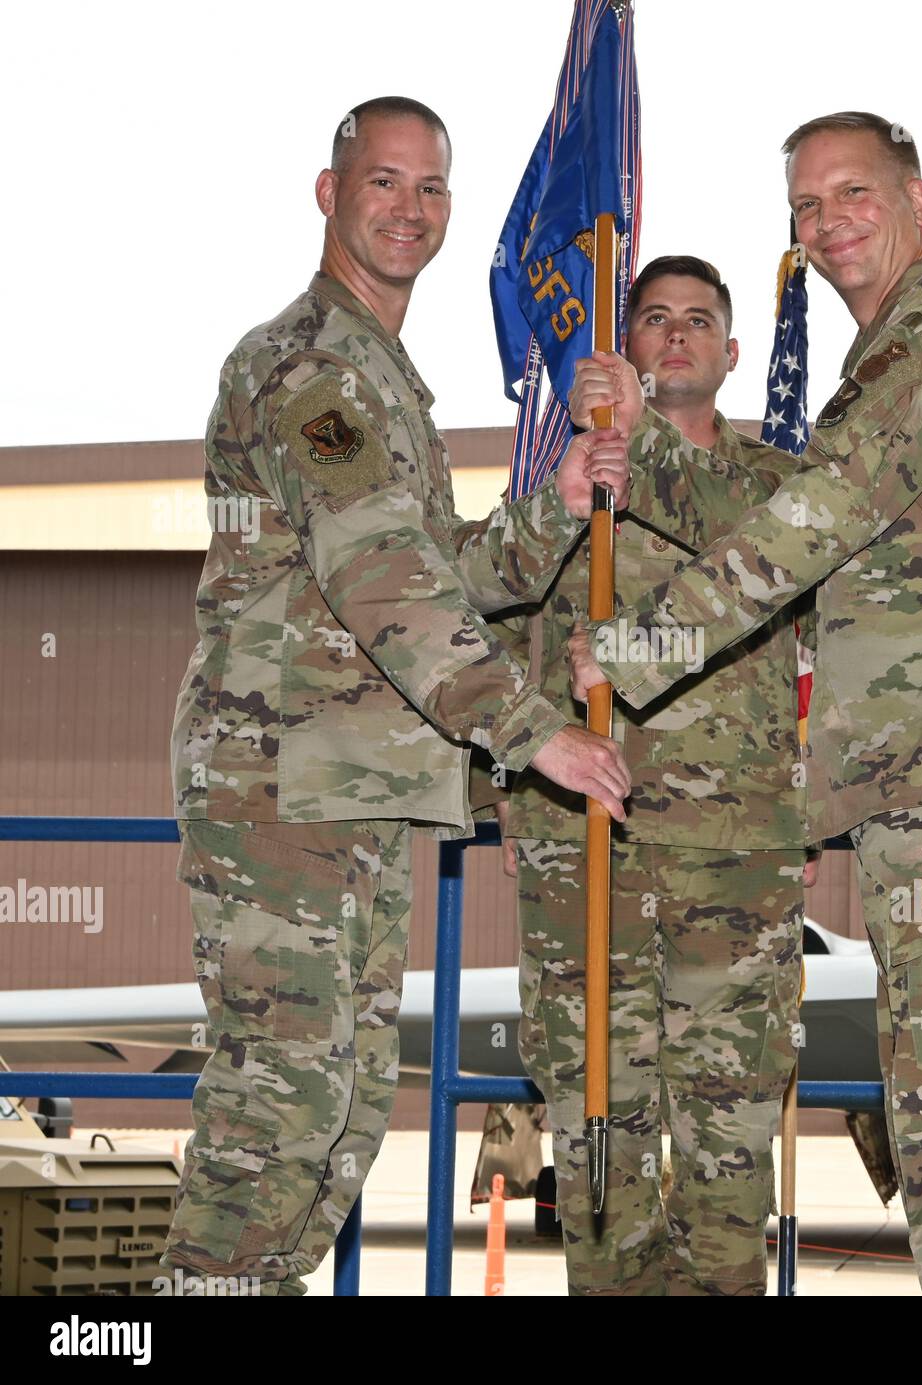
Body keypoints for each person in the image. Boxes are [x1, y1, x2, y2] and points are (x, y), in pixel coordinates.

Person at [568, 112, 922, 1296]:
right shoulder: (907, 354)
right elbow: (808, 511)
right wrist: (644, 451)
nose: (824, 224)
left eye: (850, 193)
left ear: (917, 198)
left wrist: (635, 651)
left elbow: (803, 532)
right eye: (804, 209)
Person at [163, 95, 632, 1296]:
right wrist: (532, 735)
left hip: (351, 785)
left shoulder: (380, 376)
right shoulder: (313, 364)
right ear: (330, 192)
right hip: (284, 787)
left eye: (429, 189)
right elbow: (382, 578)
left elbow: (438, 566)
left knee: (340, 1113)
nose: (407, 209)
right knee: (280, 1110)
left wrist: (557, 503)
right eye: (384, 182)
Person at [491, 257, 815, 1295]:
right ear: (621, 349)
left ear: (730, 353)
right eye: (654, 319)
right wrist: (572, 488)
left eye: (699, 322)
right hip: (589, 862)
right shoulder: (568, 490)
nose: (676, 335)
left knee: (725, 1152)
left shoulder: (775, 489)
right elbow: (489, 615)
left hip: (732, 869)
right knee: (600, 1146)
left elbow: (770, 564)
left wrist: (654, 448)